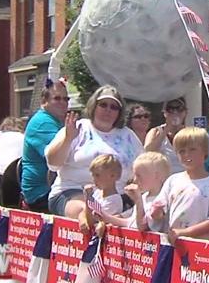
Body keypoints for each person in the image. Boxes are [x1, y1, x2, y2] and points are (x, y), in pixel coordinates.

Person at [45, 85, 143, 218]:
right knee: (89, 213)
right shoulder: (78, 127)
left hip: (118, 196)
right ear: (94, 106)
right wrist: (68, 139)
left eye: (114, 107)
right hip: (74, 192)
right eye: (103, 105)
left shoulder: (128, 135)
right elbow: (53, 164)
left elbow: (142, 166)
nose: (108, 110)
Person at [152, 127, 209, 242]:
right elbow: (159, 212)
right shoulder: (173, 180)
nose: (187, 154)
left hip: (201, 247)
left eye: (192, 150)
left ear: (205, 151)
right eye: (182, 151)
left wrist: (184, 233)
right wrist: (156, 212)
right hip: (174, 244)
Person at [20, 80, 69, 212]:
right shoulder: (43, 122)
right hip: (41, 193)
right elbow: (65, 157)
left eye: (66, 99)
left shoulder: (57, 122)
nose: (63, 102)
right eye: (57, 98)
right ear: (44, 101)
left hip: (55, 187)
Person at [80, 154, 131, 232]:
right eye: (93, 175)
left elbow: (92, 222)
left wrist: (88, 198)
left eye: (97, 175)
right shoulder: (97, 193)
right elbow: (83, 212)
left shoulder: (114, 201)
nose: (94, 179)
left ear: (113, 176)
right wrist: (82, 221)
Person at [145, 97, 188, 174]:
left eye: (179, 109)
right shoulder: (155, 131)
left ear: (185, 112)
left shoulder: (189, 132)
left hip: (184, 175)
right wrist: (165, 131)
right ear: (165, 113)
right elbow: (148, 151)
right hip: (163, 176)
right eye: (171, 109)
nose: (175, 113)